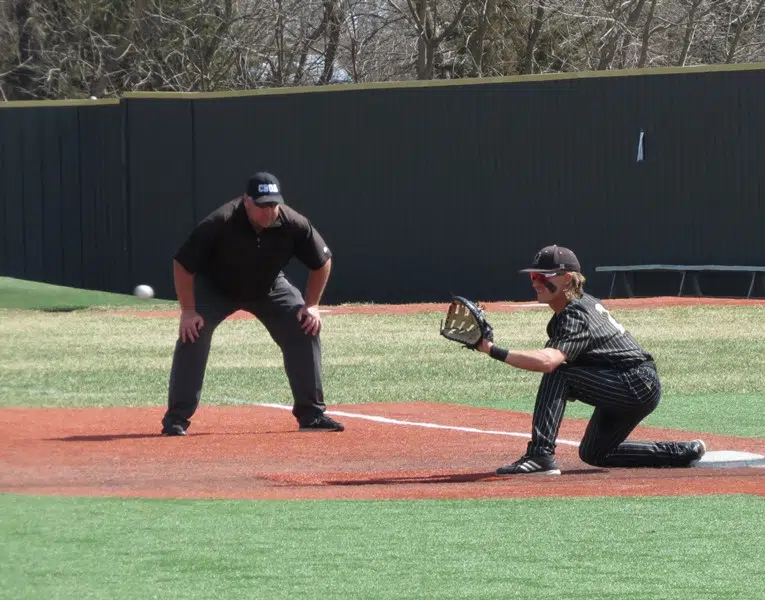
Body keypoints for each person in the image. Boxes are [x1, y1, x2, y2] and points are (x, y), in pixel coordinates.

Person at [477, 244, 705, 475]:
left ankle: (540, 455)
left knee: (558, 373)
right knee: (595, 453)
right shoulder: (577, 307)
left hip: (634, 382)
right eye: (533, 276)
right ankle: (680, 452)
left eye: (542, 276)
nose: (535, 282)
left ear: (566, 279)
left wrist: (491, 349)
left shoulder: (575, 314)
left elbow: (548, 362)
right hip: (632, 382)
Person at [161, 171, 344, 435]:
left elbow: (322, 260)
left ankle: (312, 415)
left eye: (273, 204)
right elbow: (182, 264)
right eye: (262, 205)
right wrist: (188, 312)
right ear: (247, 201)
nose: (269, 211)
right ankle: (176, 419)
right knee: (193, 331)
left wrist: (312, 304)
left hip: (268, 287)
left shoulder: (293, 223)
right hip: (217, 288)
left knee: (304, 325)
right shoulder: (221, 220)